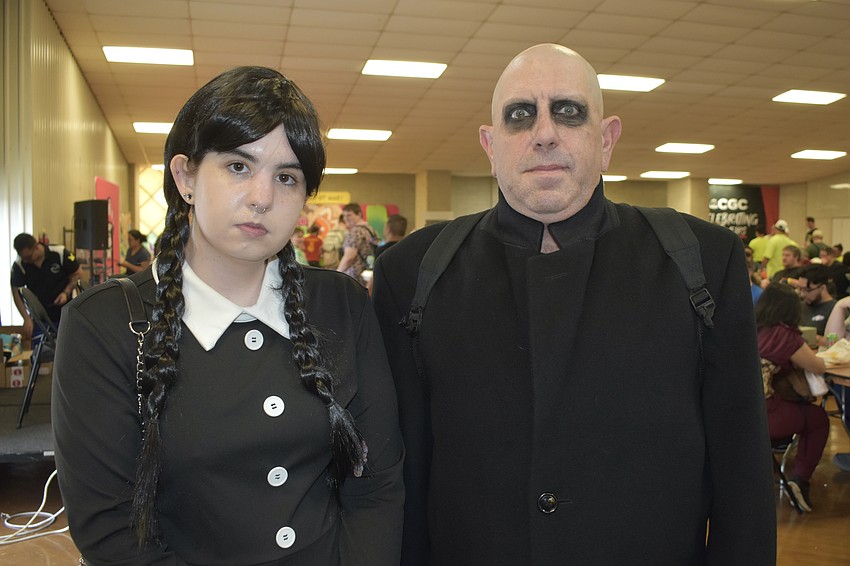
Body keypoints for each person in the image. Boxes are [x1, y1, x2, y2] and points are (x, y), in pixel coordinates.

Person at [372, 43, 775, 565]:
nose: (544, 133)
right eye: (520, 116)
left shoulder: (700, 260)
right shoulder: (413, 272)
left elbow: (741, 466)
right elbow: (400, 472)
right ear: (490, 146)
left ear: (606, 141)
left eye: (568, 111)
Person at [52, 66, 404, 565]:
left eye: (287, 178)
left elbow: (378, 486)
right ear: (186, 176)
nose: (262, 197)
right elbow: (112, 532)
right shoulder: (105, 323)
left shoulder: (341, 304)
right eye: (239, 167)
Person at [755, 283, 829, 512]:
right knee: (818, 418)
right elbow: (817, 366)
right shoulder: (785, 335)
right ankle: (800, 480)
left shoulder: (752, 327)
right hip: (763, 414)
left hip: (738, 410)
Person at [10, 232, 83, 336]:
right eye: (24, 258)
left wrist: (66, 292)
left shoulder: (59, 253)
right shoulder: (19, 264)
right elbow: (16, 291)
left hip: (64, 313)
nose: (27, 261)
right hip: (39, 317)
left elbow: (77, 273)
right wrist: (26, 318)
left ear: (36, 247)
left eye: (29, 257)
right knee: (40, 349)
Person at [336, 203, 378, 286]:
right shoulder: (370, 229)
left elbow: (349, 257)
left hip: (354, 277)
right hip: (367, 275)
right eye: (344, 216)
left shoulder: (356, 231)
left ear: (359, 214)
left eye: (349, 215)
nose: (346, 218)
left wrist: (337, 273)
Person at [796, 264, 835, 343]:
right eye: (800, 289)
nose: (802, 294)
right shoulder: (798, 307)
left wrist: (812, 337)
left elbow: (838, 342)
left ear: (822, 288)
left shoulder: (836, 310)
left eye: (807, 290)